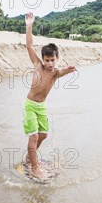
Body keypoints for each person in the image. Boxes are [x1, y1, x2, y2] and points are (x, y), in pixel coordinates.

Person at [22, 12, 76, 180]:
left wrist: (69, 70)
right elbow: (29, 46)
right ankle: (35, 166)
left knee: (44, 135)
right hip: (30, 105)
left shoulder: (55, 73)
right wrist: (29, 25)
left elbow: (62, 72)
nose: (50, 64)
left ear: (57, 59)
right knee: (34, 136)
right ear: (43, 59)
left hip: (41, 107)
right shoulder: (38, 66)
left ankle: (28, 157)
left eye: (53, 60)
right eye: (47, 60)